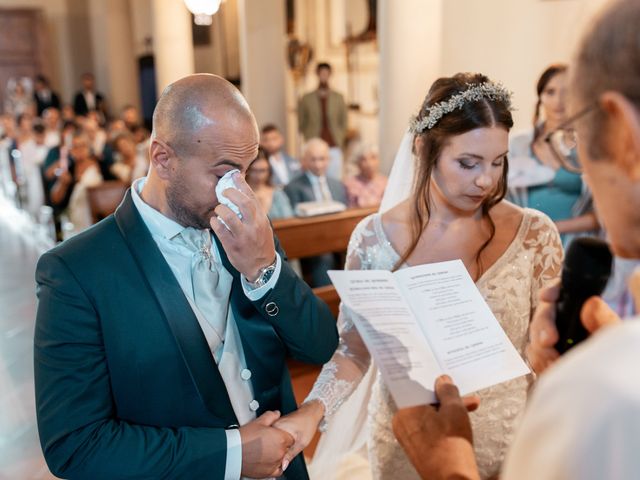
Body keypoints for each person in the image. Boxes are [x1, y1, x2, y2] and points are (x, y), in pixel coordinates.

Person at [34, 73, 338, 480]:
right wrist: (232, 455)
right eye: (223, 174)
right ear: (163, 158)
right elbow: (76, 446)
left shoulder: (248, 230)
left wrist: (263, 269)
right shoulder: (76, 271)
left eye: (245, 172)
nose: (238, 192)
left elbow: (320, 346)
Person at [392, 1, 640, 479]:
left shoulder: (607, 395)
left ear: (624, 135)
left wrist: (447, 466)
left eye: (575, 137)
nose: (577, 168)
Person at [275, 73, 563, 480]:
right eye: (468, 163)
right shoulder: (374, 239)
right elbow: (355, 347)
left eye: (497, 162)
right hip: (405, 442)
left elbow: (550, 345)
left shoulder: (535, 234)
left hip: (511, 441)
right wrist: (312, 411)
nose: (486, 180)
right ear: (423, 148)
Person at [509, 64, 599, 244]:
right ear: (540, 96)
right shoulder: (518, 143)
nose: (559, 101)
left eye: (567, 92)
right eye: (550, 92)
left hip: (574, 245)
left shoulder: (590, 147)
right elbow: (501, 200)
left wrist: (551, 228)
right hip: (525, 241)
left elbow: (601, 215)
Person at [284, 137, 348, 287]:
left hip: (339, 237)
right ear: (304, 161)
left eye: (322, 159)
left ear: (329, 160)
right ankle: (329, 300)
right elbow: (295, 222)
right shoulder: (293, 187)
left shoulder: (337, 185)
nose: (318, 164)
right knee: (323, 256)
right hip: (311, 241)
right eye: (313, 159)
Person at [298, 62, 347, 179]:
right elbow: (302, 122)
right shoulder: (307, 98)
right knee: (313, 175)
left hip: (334, 143)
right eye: (321, 73)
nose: (324, 76)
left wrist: (340, 136)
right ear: (317, 74)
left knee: (335, 176)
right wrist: (308, 135)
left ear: (330, 75)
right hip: (313, 141)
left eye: (326, 73)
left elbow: (343, 121)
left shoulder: (338, 97)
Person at [48, 131, 103, 232]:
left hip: (93, 221)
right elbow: (55, 198)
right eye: (75, 147)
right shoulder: (69, 168)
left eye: (82, 146)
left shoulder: (99, 165)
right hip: (72, 222)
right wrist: (63, 183)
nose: (79, 150)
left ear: (88, 147)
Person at [246, 148, 294, 219]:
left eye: (263, 170)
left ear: (269, 170)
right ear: (247, 170)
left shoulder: (278, 194)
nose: (259, 176)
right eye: (254, 170)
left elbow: (289, 221)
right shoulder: (239, 194)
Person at [343, 143, 387, 208]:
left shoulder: (386, 182)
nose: (369, 164)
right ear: (357, 163)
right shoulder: (349, 184)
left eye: (373, 158)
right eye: (364, 159)